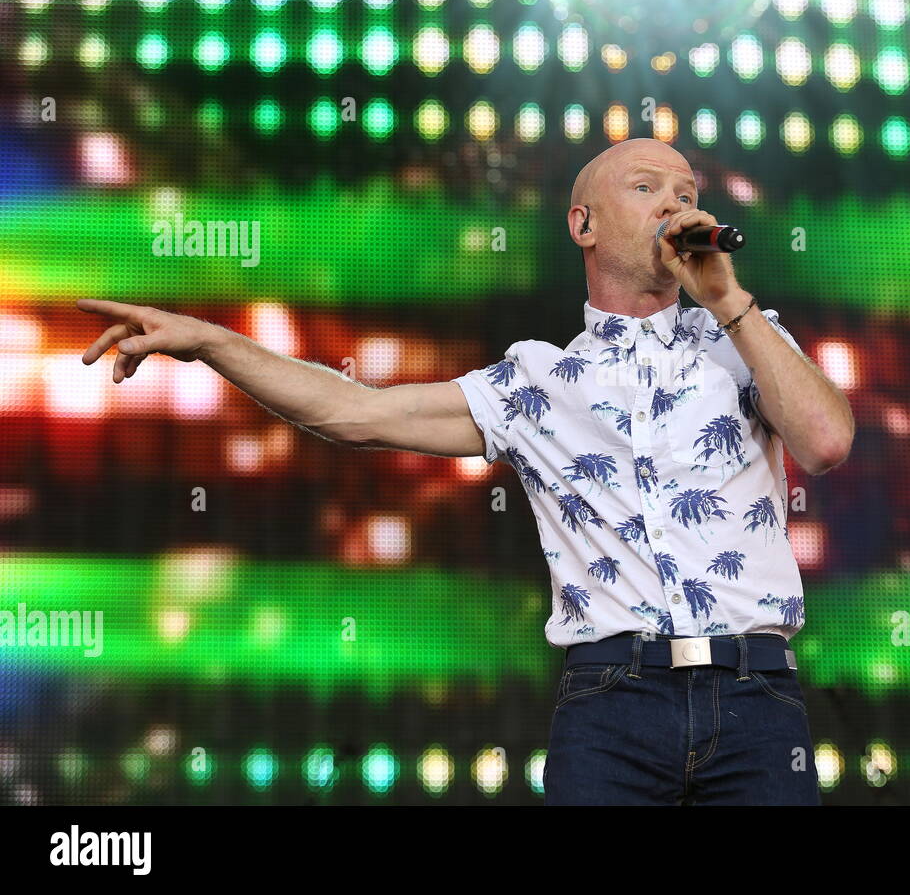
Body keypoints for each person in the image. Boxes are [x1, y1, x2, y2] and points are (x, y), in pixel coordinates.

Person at [77, 137, 854, 804]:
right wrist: (213, 342)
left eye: (687, 193)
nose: (673, 204)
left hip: (759, 697)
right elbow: (355, 413)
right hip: (613, 701)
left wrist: (729, 301)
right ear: (582, 223)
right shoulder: (535, 383)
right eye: (645, 187)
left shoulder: (746, 339)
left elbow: (825, 443)